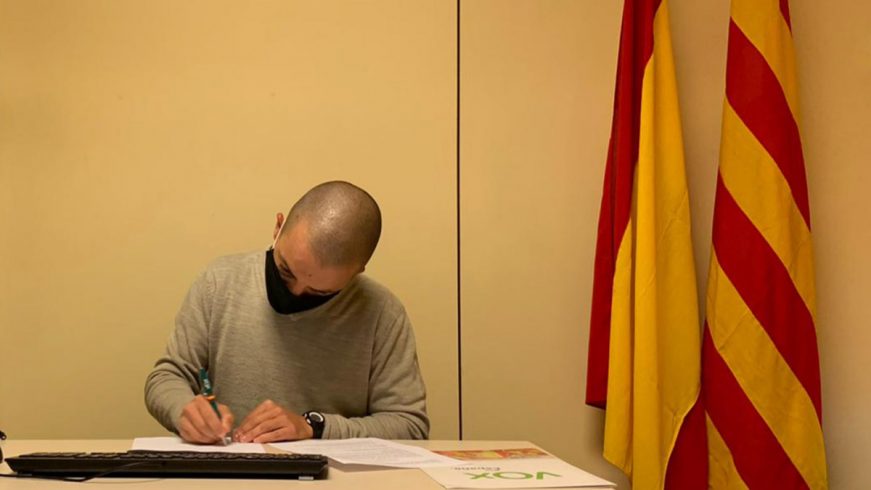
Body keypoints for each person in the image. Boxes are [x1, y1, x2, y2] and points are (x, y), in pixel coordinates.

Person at [144, 181, 429, 444]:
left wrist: (315, 427)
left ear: (356, 271)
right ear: (278, 226)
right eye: (285, 271)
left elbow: (409, 425)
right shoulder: (220, 282)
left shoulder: (382, 312)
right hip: (232, 473)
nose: (295, 293)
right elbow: (167, 377)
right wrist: (184, 410)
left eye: (319, 292)